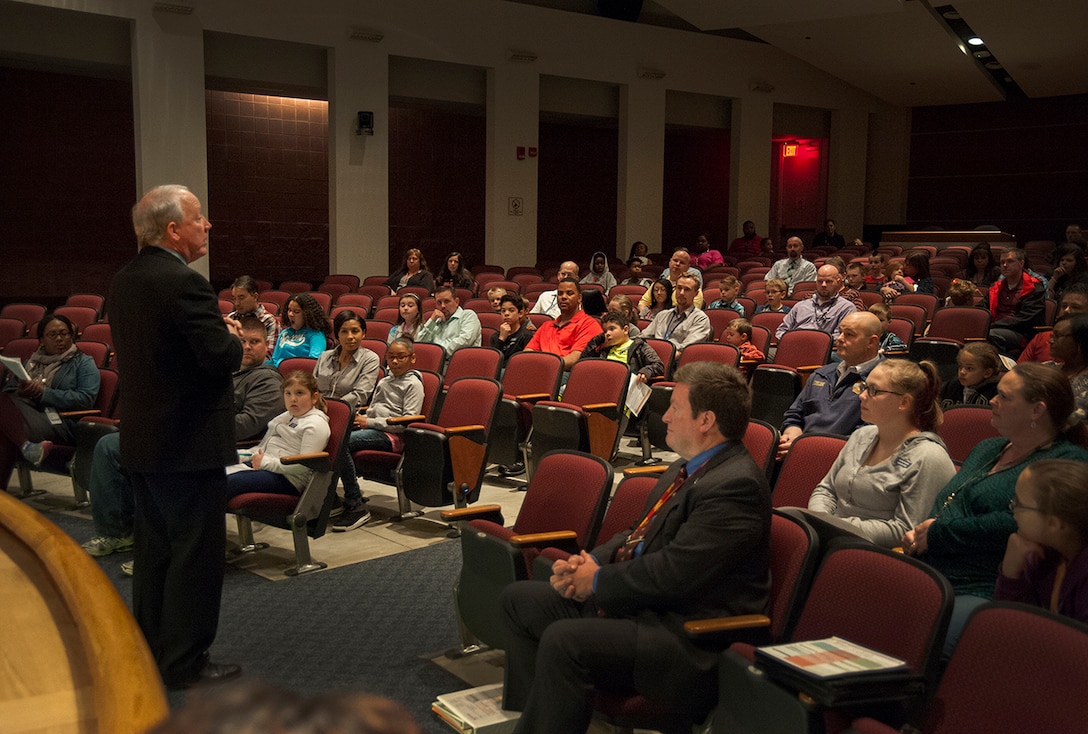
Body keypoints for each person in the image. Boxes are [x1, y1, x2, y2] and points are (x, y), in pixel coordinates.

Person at [500, 362, 771, 733]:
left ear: (706, 420)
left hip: (687, 635)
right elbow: (636, 532)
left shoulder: (735, 486)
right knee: (521, 600)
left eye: (675, 407)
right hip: (645, 607)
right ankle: (541, 715)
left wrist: (596, 582)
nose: (665, 416)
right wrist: (590, 561)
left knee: (565, 640)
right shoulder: (687, 467)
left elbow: (675, 574)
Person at [109, 184, 244, 688]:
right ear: (173, 229)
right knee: (194, 556)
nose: (207, 225)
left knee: (154, 552)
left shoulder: (124, 279)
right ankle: (185, 662)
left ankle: (150, 650)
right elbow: (218, 356)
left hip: (144, 439)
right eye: (199, 218)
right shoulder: (184, 283)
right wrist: (232, 340)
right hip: (188, 444)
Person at [902, 363, 1088, 654]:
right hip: (931, 565)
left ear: (1037, 410)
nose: (992, 401)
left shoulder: (1066, 461)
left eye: (1004, 396)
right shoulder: (988, 447)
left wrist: (939, 533)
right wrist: (925, 532)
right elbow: (948, 498)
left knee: (917, 635)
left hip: (986, 581)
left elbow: (1018, 523)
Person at [81, 317, 284, 558]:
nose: (247, 346)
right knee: (110, 444)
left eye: (255, 341)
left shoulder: (266, 379)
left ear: (267, 346)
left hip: (220, 446)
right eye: (242, 341)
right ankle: (118, 531)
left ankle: (161, 549)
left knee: (141, 452)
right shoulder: (220, 371)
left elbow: (246, 426)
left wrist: (188, 425)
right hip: (187, 435)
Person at [805, 359, 956, 548]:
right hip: (831, 541)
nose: (861, 396)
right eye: (864, 387)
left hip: (878, 558)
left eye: (874, 390)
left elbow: (905, 529)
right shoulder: (861, 435)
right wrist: (821, 520)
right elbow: (825, 490)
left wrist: (833, 525)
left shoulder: (928, 457)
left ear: (904, 402)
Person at [333, 338, 425, 531]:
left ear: (413, 358)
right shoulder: (384, 381)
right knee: (331, 436)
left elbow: (407, 422)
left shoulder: (413, 384)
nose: (396, 362)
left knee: (342, 443)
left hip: (393, 437)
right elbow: (374, 409)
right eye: (391, 357)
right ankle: (330, 499)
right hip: (372, 428)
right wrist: (360, 417)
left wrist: (368, 422)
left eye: (401, 357)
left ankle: (356, 504)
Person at [0, 313, 99, 489]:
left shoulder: (83, 363)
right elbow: (8, 392)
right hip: (27, 418)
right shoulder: (31, 362)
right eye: (52, 335)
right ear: (42, 340)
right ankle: (27, 448)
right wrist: (22, 392)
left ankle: (25, 447)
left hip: (60, 421)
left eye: (64, 333)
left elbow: (85, 399)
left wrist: (43, 394)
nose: (59, 339)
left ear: (72, 336)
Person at [778, 311, 883, 459]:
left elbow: (868, 435)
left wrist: (804, 448)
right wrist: (791, 436)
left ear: (871, 342)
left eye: (849, 335)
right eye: (840, 332)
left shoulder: (886, 382)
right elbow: (794, 414)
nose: (839, 339)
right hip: (798, 452)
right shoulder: (822, 373)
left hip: (843, 461)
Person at [994, 459, 1088, 625]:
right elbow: (1008, 626)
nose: (1013, 510)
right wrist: (1010, 572)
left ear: (1054, 523)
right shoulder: (1043, 553)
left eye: (1019, 504)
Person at [226, 371, 330, 501]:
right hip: (268, 467)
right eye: (288, 393)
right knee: (212, 474)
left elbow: (303, 466)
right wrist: (241, 455)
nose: (293, 399)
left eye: (299, 393)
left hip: (289, 479)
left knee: (228, 482)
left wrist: (265, 463)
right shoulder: (284, 417)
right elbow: (262, 448)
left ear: (314, 397)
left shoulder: (316, 424)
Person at [524, 278, 602, 371]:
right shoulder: (546, 326)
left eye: (569, 293)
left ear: (579, 298)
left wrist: (544, 367)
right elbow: (527, 353)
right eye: (560, 293)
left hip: (567, 373)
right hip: (541, 370)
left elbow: (574, 360)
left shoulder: (589, 325)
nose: (563, 297)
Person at [988, 248, 1046, 357]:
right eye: (1002, 262)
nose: (1005, 265)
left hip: (1021, 333)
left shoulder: (1034, 288)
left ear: (1021, 263)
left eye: (1010, 261)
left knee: (990, 335)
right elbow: (983, 309)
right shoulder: (996, 287)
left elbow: (1026, 318)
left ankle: (1004, 369)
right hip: (994, 327)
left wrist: (992, 325)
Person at [774, 264, 857, 341]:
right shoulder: (800, 306)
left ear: (838, 282)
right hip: (795, 346)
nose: (823, 285)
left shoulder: (846, 307)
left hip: (825, 351)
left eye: (828, 281)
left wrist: (812, 343)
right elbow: (781, 331)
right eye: (820, 281)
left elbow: (840, 336)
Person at [579, 311, 664, 383]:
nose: (607, 333)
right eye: (605, 331)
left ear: (626, 330)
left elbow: (658, 365)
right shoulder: (605, 349)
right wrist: (599, 339)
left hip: (627, 389)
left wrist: (646, 371)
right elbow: (582, 362)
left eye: (612, 329)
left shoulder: (639, 346)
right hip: (603, 384)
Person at [641, 275, 712, 356]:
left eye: (687, 289)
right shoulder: (662, 315)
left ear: (696, 294)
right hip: (652, 357)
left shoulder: (700, 319)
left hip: (675, 362)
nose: (681, 293)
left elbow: (686, 349)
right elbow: (643, 337)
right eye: (679, 288)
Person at [1019, 283, 1088, 364]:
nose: (1066, 310)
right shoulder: (1042, 338)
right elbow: (1018, 369)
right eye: (1064, 306)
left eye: (1075, 307)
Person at [415, 285, 482, 358]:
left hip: (460, 362)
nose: (443, 306)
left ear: (456, 302)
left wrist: (437, 353)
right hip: (435, 362)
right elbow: (419, 343)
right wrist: (431, 320)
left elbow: (465, 341)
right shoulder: (436, 321)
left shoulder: (468, 315)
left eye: (447, 301)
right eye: (439, 302)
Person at [268, 292, 329, 367]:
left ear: (307, 315)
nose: (290, 314)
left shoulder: (316, 335)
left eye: (296, 311)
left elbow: (313, 364)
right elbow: (274, 359)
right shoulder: (284, 333)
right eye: (289, 310)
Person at [637, 249, 704, 312]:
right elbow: (643, 303)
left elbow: (690, 313)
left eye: (682, 263)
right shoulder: (659, 284)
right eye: (675, 260)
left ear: (688, 267)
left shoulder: (693, 289)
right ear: (670, 262)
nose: (677, 264)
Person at [940, 341, 1002, 409]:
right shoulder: (951, 387)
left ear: (987, 373)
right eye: (960, 366)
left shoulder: (996, 393)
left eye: (969, 368)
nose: (962, 372)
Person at [1047, 314, 1088, 413]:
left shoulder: (1085, 384)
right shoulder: (1048, 367)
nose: (1050, 341)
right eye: (1052, 335)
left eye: (1057, 336)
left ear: (1080, 341)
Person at [228, 275, 279, 351]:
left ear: (255, 297)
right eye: (234, 298)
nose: (237, 303)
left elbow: (269, 353)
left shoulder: (269, 320)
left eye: (241, 298)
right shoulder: (231, 318)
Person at [491, 293, 534, 366]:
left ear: (520, 313)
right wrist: (501, 339)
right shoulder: (495, 337)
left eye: (511, 310)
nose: (506, 314)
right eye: (503, 311)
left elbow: (524, 362)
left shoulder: (527, 335)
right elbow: (492, 361)